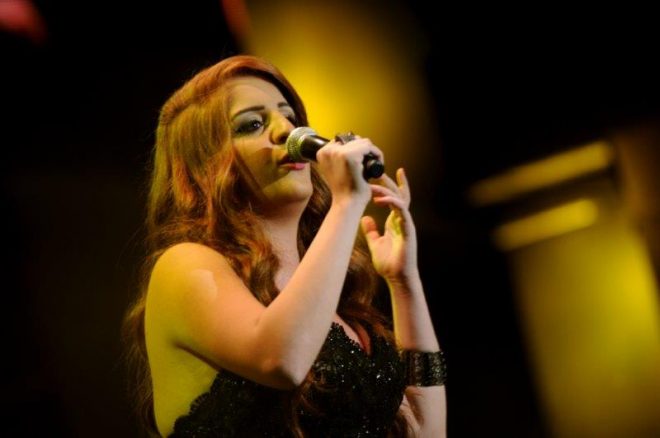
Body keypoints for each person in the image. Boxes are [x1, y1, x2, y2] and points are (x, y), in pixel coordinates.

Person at [122, 54, 447, 437]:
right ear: (204, 167)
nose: (287, 132)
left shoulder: (333, 307)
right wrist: (346, 204)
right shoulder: (183, 267)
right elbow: (281, 360)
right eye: (253, 124)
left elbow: (427, 431)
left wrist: (404, 282)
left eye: (290, 117)